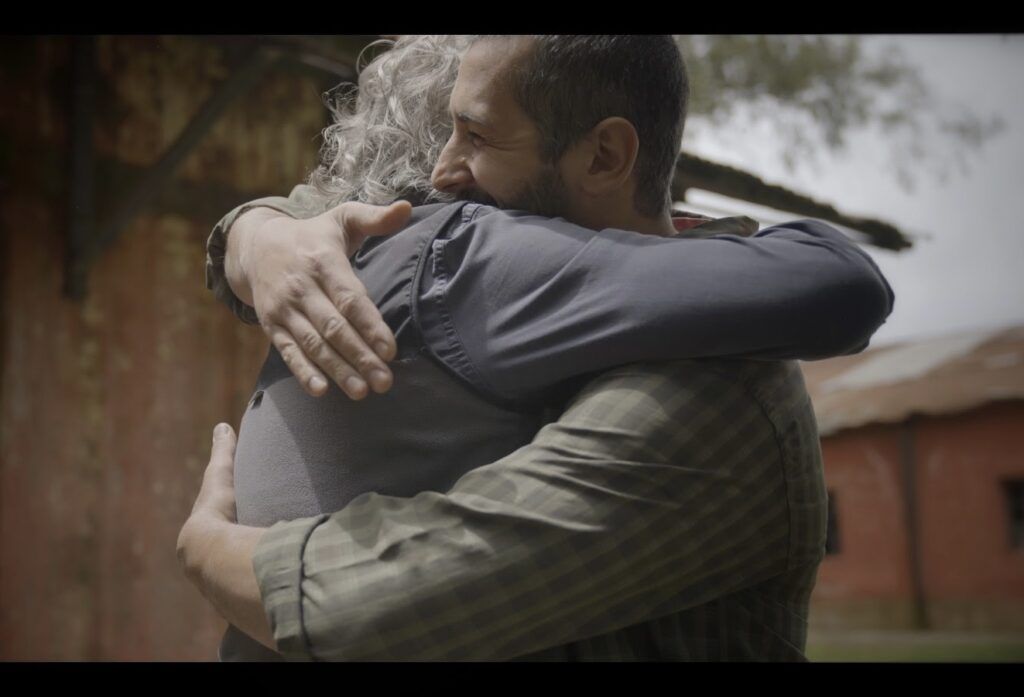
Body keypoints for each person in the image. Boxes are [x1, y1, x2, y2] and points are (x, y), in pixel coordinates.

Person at [179, 35, 893, 661]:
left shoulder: (709, 382)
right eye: (443, 136)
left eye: (477, 136)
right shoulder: (434, 251)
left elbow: (380, 603)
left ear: (605, 154)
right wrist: (258, 232)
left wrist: (211, 549)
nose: (440, 177)